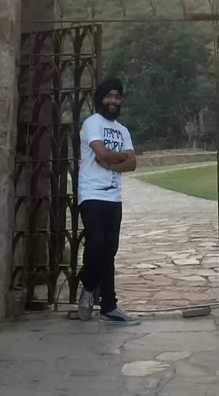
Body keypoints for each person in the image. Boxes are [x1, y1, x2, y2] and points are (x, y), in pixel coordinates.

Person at [76, 76, 140, 324]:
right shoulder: (92, 123)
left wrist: (116, 159)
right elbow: (100, 153)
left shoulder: (122, 130)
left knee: (109, 251)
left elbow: (132, 164)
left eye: (117, 96)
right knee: (97, 245)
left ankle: (99, 296)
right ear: (100, 98)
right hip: (91, 194)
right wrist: (120, 158)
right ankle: (100, 294)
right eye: (109, 96)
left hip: (114, 197)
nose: (113, 101)